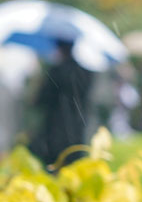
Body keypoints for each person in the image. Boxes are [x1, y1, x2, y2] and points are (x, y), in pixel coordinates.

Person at [27, 38, 93, 167]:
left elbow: (40, 101)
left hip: (55, 127)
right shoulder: (85, 72)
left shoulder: (56, 71)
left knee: (52, 166)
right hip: (77, 128)